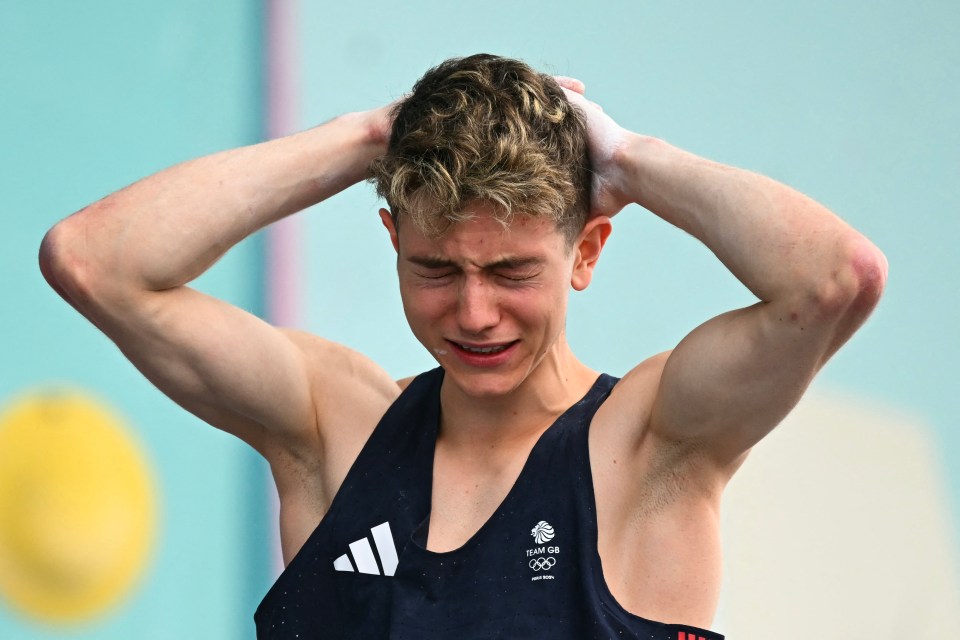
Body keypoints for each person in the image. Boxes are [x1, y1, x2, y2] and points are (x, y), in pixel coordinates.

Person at [39, 54, 886, 639]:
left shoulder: (653, 444)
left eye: (512, 271)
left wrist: (627, 157)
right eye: (435, 268)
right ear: (392, 242)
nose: (473, 313)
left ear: (585, 252)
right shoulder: (335, 432)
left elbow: (835, 278)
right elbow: (92, 262)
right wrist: (363, 140)